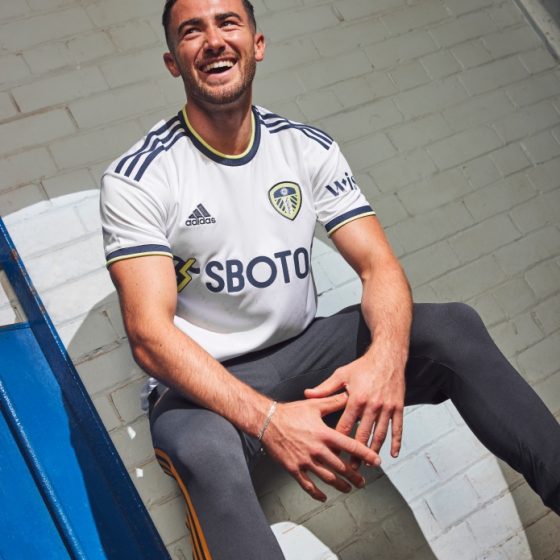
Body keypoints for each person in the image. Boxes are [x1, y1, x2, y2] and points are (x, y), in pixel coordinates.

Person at [100, 0, 560, 557]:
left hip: (306, 355)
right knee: (206, 451)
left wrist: (386, 357)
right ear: (174, 61)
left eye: (228, 23)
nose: (213, 40)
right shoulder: (140, 178)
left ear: (257, 44)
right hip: (201, 388)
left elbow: (378, 266)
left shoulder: (305, 148)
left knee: (451, 328)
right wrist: (270, 421)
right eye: (191, 31)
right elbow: (149, 335)